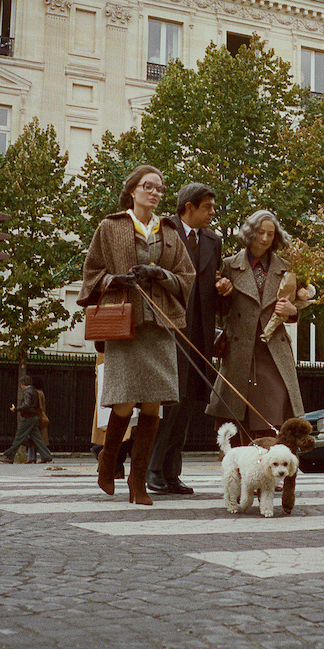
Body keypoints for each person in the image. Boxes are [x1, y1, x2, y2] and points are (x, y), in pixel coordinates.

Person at [78, 165, 194, 505]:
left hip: (160, 327)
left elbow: (186, 276)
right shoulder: (110, 227)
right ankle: (107, 462)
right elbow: (91, 273)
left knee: (153, 404)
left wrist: (160, 274)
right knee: (125, 401)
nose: (155, 192)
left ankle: (137, 481)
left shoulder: (170, 231)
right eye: (148, 186)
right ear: (132, 190)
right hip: (126, 326)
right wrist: (113, 281)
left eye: (159, 188)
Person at [147, 183, 222, 496]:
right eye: (207, 207)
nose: (212, 213)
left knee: (189, 404)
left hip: (200, 335)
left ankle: (171, 473)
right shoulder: (162, 231)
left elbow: (212, 286)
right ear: (189, 207)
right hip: (168, 332)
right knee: (168, 403)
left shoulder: (213, 241)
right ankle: (152, 470)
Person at [206, 209, 305, 444]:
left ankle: (274, 467)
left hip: (273, 352)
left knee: (275, 409)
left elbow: (293, 304)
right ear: (250, 233)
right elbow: (219, 310)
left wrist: (293, 312)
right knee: (237, 413)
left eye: (270, 234)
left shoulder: (286, 268)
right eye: (260, 232)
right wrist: (222, 291)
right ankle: (242, 471)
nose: (265, 238)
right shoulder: (229, 265)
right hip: (240, 352)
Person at [0, 375, 53, 464]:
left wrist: (16, 409)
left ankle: (9, 456)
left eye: (21, 384)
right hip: (34, 417)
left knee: (19, 437)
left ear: (23, 384)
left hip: (28, 417)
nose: (20, 386)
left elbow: (27, 404)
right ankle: (46, 456)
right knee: (38, 438)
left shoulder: (27, 391)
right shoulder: (35, 391)